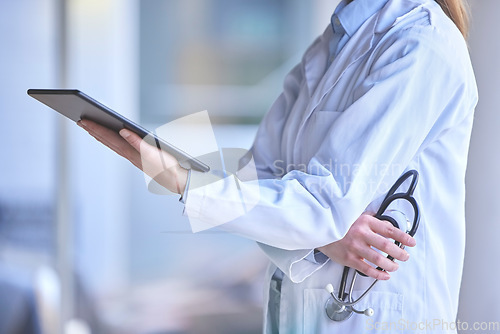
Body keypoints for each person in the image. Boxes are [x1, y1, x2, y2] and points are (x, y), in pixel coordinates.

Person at [78, 0, 477, 332]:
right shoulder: (330, 45)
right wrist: (321, 235)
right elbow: (263, 180)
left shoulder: (421, 44)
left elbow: (322, 206)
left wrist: (182, 180)